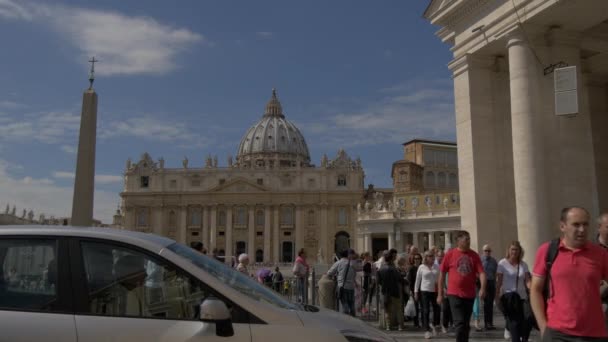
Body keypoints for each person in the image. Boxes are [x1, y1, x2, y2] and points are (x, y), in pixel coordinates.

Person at [530, 207, 608, 341]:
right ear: (562, 226)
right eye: (576, 224)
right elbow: (535, 289)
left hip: (594, 334)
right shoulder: (547, 251)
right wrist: (543, 327)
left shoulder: (600, 254)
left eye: (585, 224)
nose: (582, 229)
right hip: (558, 333)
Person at [437, 230, 486, 342]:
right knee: (459, 323)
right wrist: (440, 294)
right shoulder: (450, 254)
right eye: (466, 239)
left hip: (469, 294)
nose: (469, 241)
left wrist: (483, 288)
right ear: (458, 241)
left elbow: (482, 273)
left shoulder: (474, 255)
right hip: (454, 294)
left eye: (469, 239)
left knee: (465, 324)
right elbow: (442, 274)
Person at [496, 241, 531, 342]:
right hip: (509, 298)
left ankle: (524, 338)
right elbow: (499, 282)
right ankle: (514, 336)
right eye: (512, 249)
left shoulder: (523, 264)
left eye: (516, 250)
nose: (514, 252)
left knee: (528, 318)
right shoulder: (502, 263)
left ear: (520, 251)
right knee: (514, 323)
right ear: (509, 250)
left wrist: (533, 290)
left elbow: (528, 280)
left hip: (522, 297)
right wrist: (496, 296)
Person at [415, 251, 441, 339]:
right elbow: (418, 280)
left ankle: (433, 324)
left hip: (435, 290)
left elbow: (440, 279)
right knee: (425, 310)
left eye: (433, 256)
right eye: (430, 256)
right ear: (426, 258)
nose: (432, 258)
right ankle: (426, 330)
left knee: (437, 309)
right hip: (424, 290)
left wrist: (442, 289)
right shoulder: (421, 267)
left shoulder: (437, 266)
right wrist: (415, 292)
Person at [378, 250, 405, 330]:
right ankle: (400, 326)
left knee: (387, 310)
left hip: (385, 291)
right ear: (390, 259)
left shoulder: (381, 269)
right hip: (395, 291)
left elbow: (378, 281)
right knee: (398, 309)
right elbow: (399, 278)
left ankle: (388, 326)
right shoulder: (393, 269)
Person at [327, 249, 358, 316]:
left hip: (342, 286)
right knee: (351, 303)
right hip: (351, 286)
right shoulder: (352, 263)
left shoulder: (339, 263)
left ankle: (346, 318)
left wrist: (335, 275)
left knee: (344, 303)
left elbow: (329, 273)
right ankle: (353, 318)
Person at [481, 244, 498, 330]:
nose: (487, 252)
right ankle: (486, 323)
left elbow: (495, 273)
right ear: (483, 251)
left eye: (489, 251)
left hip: (491, 283)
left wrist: (495, 284)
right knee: (486, 304)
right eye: (485, 251)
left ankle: (490, 322)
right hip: (483, 283)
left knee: (490, 304)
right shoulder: (480, 260)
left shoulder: (494, 261)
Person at [436, 249, 452, 334]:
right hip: (446, 290)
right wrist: (443, 289)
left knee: (452, 309)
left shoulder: (452, 264)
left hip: (453, 290)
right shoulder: (443, 265)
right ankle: (444, 325)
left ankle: (452, 324)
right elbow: (441, 279)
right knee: (445, 309)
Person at [408, 251, 423, 327]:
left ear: (421, 259)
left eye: (418, 258)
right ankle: (416, 323)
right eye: (415, 258)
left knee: (424, 307)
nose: (417, 260)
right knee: (416, 307)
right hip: (414, 290)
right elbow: (410, 281)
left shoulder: (423, 267)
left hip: (423, 290)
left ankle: (424, 322)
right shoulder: (412, 269)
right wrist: (411, 291)